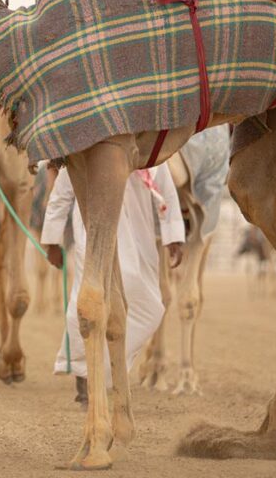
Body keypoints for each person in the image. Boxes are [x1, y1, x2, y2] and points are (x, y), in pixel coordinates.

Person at [41, 165, 185, 405]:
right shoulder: (85, 139)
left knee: (150, 308)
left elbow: (166, 190)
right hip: (91, 233)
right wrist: (52, 240)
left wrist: (174, 236)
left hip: (140, 238)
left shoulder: (147, 143)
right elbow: (61, 193)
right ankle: (84, 373)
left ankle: (102, 370)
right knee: (87, 302)